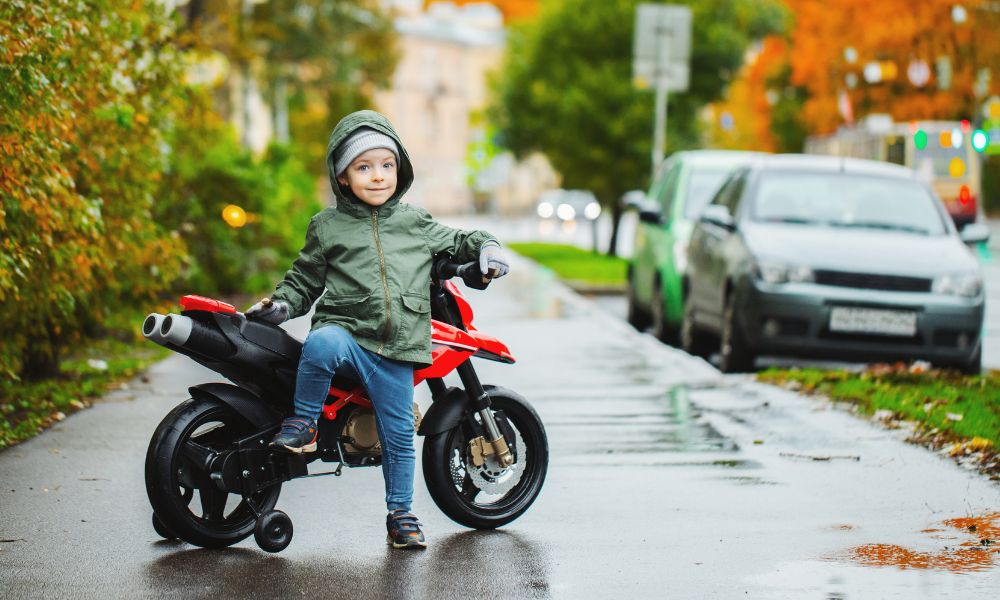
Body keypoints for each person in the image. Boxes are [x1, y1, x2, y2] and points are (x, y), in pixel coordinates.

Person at [245, 110, 509, 549]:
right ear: (343, 176)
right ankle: (305, 425)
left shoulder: (414, 222)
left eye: (386, 165)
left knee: (400, 434)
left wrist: (488, 249)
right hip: (347, 332)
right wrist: (283, 305)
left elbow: (461, 239)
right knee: (321, 343)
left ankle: (401, 515)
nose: (378, 176)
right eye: (363, 167)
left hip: (398, 346)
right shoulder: (327, 226)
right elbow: (304, 280)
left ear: (399, 168)